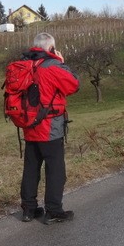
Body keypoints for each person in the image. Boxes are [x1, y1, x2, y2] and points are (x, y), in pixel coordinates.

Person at [19, 32, 80, 224]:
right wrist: (61, 62)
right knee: (55, 170)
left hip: (29, 126)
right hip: (49, 126)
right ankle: (53, 210)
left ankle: (29, 209)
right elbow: (73, 85)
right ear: (51, 48)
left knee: (31, 167)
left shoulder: (24, 65)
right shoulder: (53, 67)